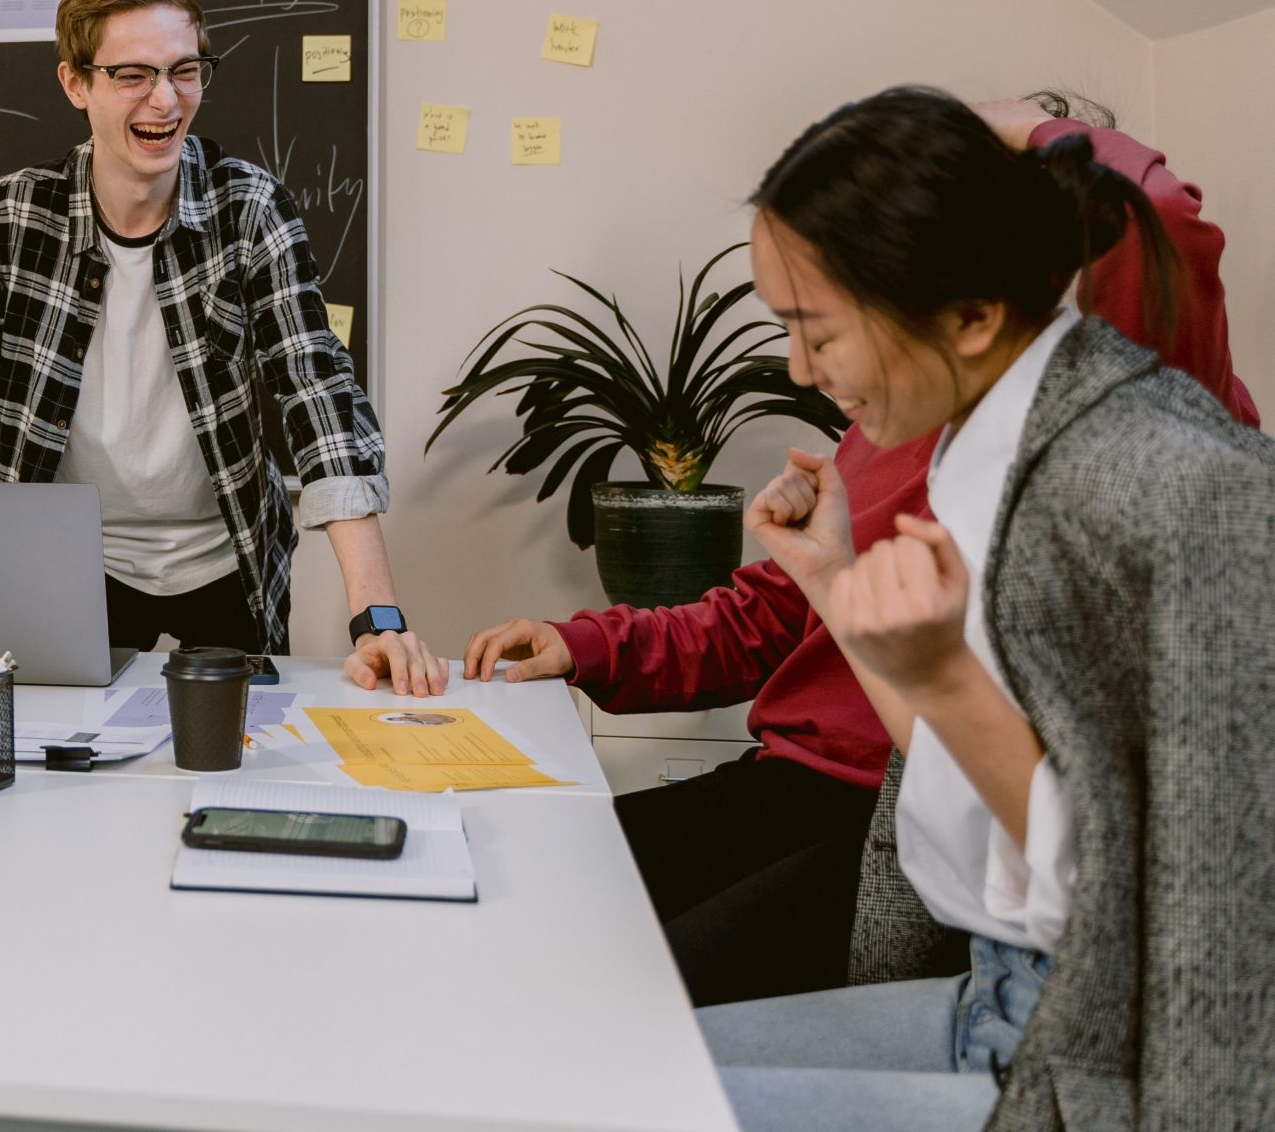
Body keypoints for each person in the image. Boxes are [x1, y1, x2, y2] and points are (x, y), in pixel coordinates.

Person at [430, 93, 1253, 1007]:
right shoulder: (906, 414)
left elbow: (1160, 218)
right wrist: (590, 644)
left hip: (899, 820)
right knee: (528, 894)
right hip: (810, 783)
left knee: (619, 1001)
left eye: (816, 331)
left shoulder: (1127, 399)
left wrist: (1014, 121)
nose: (799, 369)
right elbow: (780, 608)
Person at [700, 86, 1274, 1129]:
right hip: (997, 997)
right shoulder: (978, 434)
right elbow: (968, 772)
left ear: (969, 316)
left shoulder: (1177, 484)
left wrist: (942, 677)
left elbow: (1187, 923)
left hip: (1098, 1065)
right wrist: (831, 579)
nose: (797, 370)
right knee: (602, 1069)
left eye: (815, 333)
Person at [0, 0, 437, 689]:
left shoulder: (249, 210)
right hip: (68, 563)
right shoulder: (12, 216)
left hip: (226, 559)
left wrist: (377, 616)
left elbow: (317, 398)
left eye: (185, 70)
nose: (166, 99)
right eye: (133, 75)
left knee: (228, 761)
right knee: (59, 770)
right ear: (75, 84)